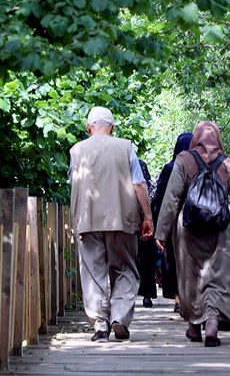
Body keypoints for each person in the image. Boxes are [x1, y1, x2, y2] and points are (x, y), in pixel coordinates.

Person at [154, 121, 230, 347]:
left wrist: (162, 232)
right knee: (216, 276)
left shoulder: (183, 160)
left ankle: (194, 328)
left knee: (190, 276)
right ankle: (213, 325)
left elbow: (172, 199)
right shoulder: (227, 163)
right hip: (222, 228)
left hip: (188, 228)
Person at [68, 106, 154, 343]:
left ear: (88, 128)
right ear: (112, 128)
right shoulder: (125, 147)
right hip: (122, 220)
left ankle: (100, 325)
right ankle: (119, 317)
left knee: (93, 273)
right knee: (125, 268)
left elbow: (73, 185)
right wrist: (147, 217)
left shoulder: (76, 151)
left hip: (88, 219)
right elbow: (139, 184)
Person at [150, 132, 193, 313]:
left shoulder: (170, 168)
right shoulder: (199, 165)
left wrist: (159, 227)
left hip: (174, 221)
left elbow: (161, 199)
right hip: (196, 220)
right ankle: (193, 299)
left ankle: (178, 299)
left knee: (173, 260)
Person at [135, 159, 158, 307]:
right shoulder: (153, 187)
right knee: (149, 263)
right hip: (150, 230)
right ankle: (147, 295)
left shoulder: (129, 187)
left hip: (132, 229)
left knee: (132, 263)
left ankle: (128, 296)